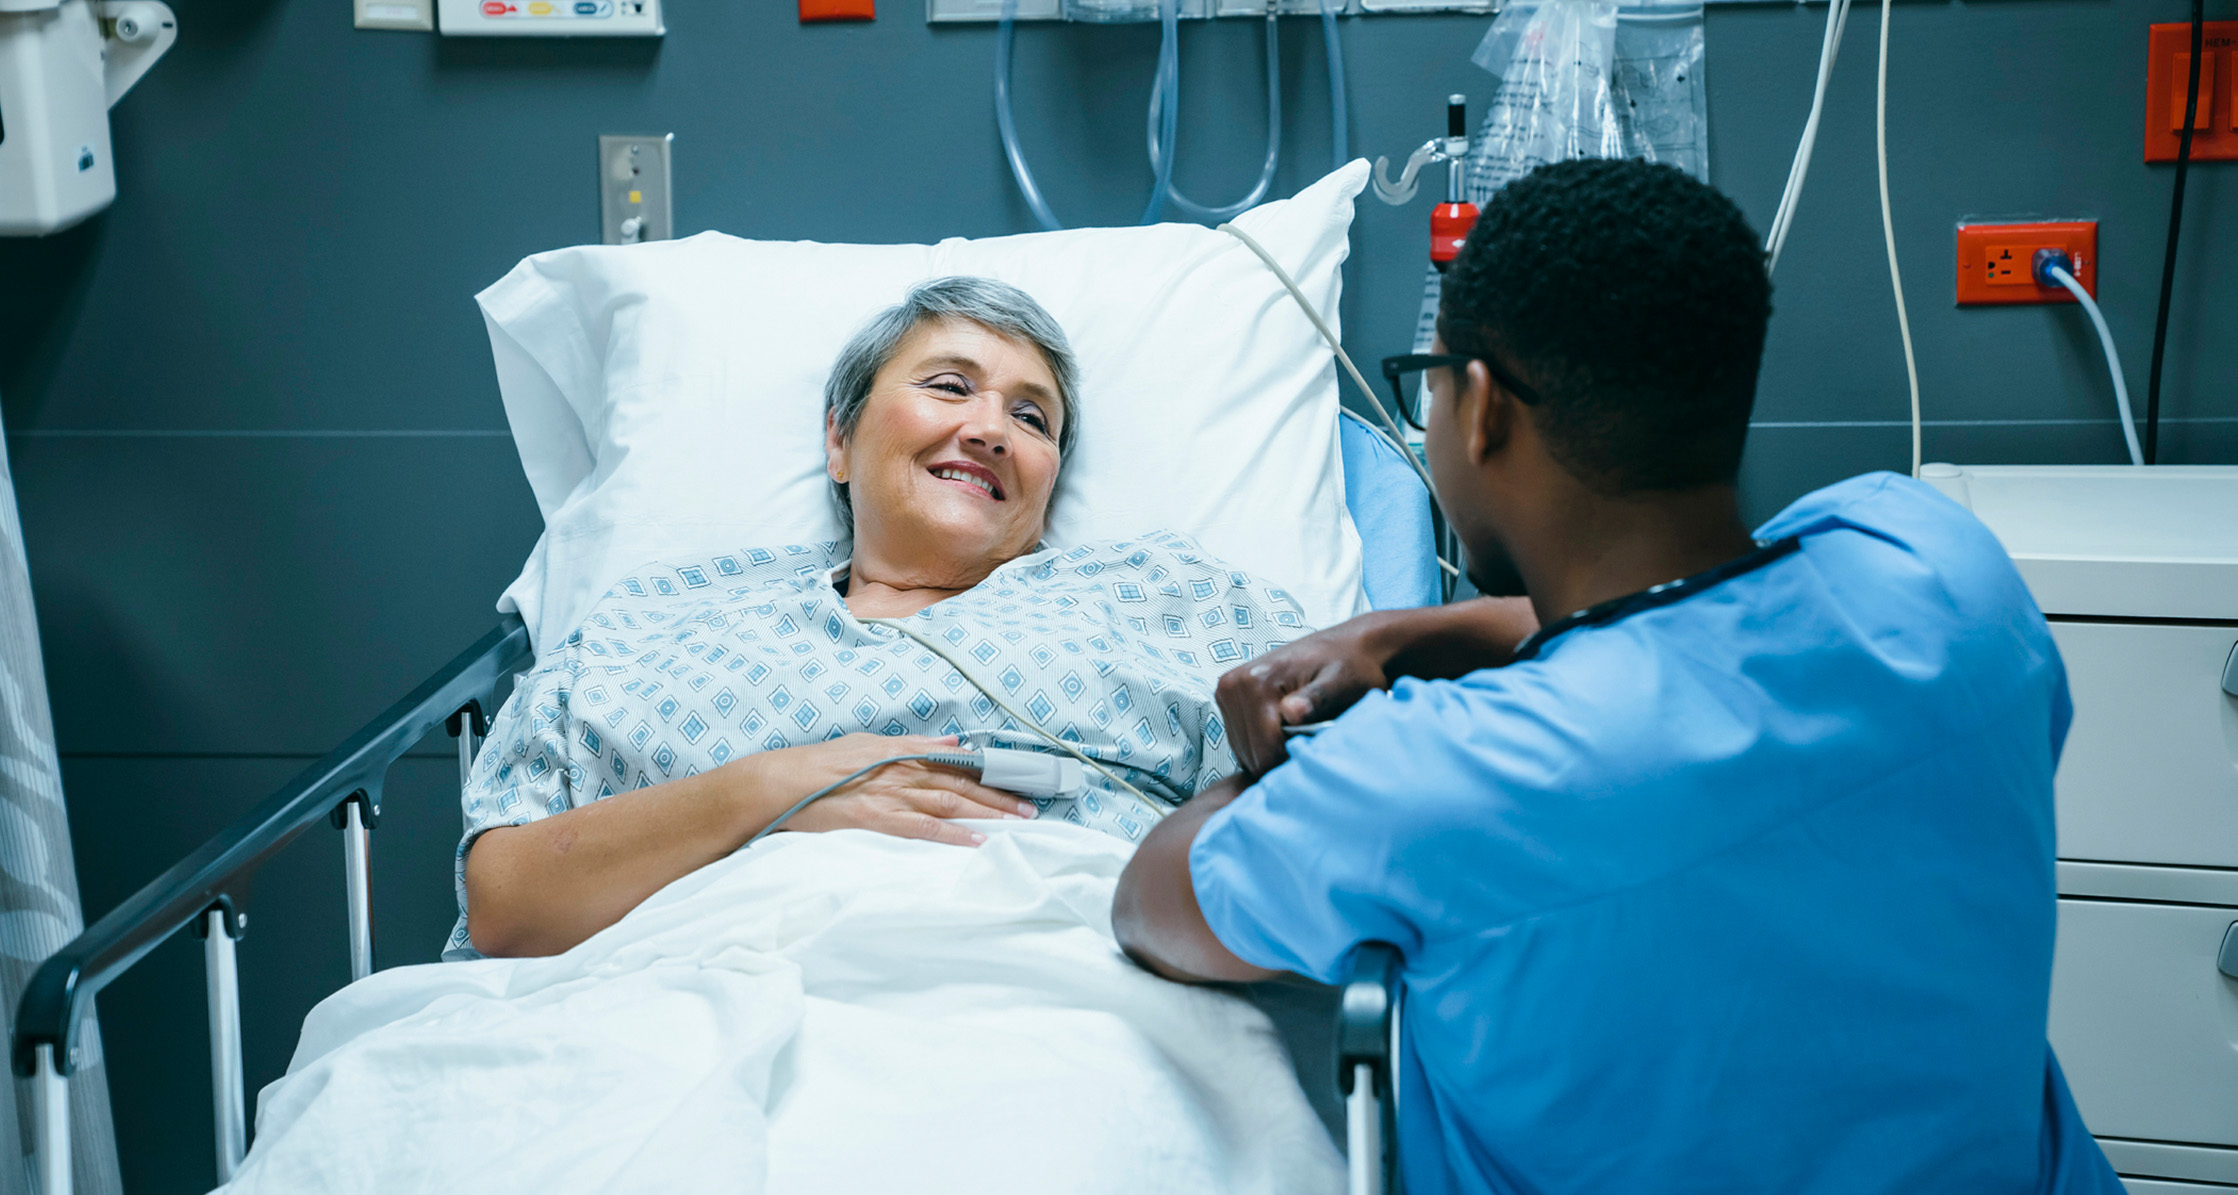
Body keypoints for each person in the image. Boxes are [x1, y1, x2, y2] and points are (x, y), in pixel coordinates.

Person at [1112, 159, 2125, 1194]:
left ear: (1482, 409)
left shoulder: (1433, 778)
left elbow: (1152, 903)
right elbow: (1696, 607)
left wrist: (1296, 766)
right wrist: (1399, 633)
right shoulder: (1943, 571)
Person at [459, 275, 1309, 959]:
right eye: (949, 387)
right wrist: (776, 788)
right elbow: (505, 902)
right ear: (840, 438)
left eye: (1031, 417)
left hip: (1055, 994)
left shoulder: (1163, 596)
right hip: (670, 996)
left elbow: (1307, 827)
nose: (990, 430)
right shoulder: (658, 618)